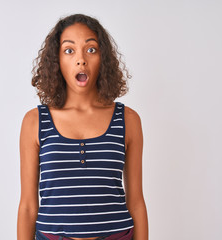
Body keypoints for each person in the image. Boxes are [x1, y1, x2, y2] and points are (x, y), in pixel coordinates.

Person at [17, 14, 148, 240]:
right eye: (69, 50)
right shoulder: (35, 122)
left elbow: (136, 202)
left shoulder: (128, 120)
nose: (81, 60)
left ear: (103, 58)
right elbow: (28, 206)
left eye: (91, 49)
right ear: (56, 60)